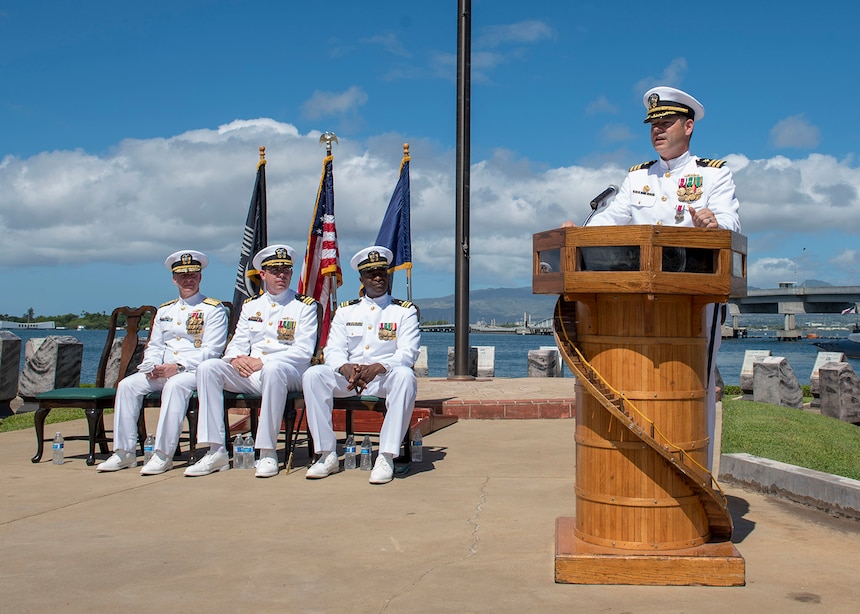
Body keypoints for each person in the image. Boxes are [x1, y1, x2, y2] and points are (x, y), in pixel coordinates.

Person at [583, 85, 740, 469]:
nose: (657, 130)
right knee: (633, 382)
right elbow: (611, 220)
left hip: (693, 299)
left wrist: (713, 223)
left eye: (666, 123)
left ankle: (699, 471)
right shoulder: (637, 178)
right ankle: (637, 468)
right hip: (632, 301)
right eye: (653, 124)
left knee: (695, 386)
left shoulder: (712, 175)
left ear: (688, 127)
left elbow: (732, 225)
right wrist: (582, 232)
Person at [184, 244, 319, 478]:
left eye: (286, 271)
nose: (282, 275)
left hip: (290, 372)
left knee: (274, 369)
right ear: (263, 274)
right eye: (275, 271)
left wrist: (262, 361)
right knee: (208, 368)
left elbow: (303, 351)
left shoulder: (303, 306)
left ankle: (267, 452)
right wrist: (235, 359)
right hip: (252, 373)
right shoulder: (251, 306)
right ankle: (216, 451)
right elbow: (238, 342)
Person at [97, 250, 228, 474]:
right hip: (161, 370)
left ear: (200, 277)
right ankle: (124, 452)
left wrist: (176, 367)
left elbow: (212, 351)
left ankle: (163, 454)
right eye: (183, 276)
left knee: (175, 386)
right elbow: (155, 345)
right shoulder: (165, 310)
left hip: (193, 371)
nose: (188, 280)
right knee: (128, 385)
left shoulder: (213, 310)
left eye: (193, 275)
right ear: (174, 279)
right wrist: (151, 366)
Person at [303, 246, 420, 485]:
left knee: (406, 376)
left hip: (382, 379)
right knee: (313, 375)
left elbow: (408, 353)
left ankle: (386, 456)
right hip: (349, 378)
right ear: (361, 279)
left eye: (381, 273)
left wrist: (378, 367)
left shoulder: (403, 312)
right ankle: (326, 454)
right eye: (371, 274)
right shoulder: (346, 311)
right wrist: (345, 368)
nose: (377, 278)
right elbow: (333, 349)